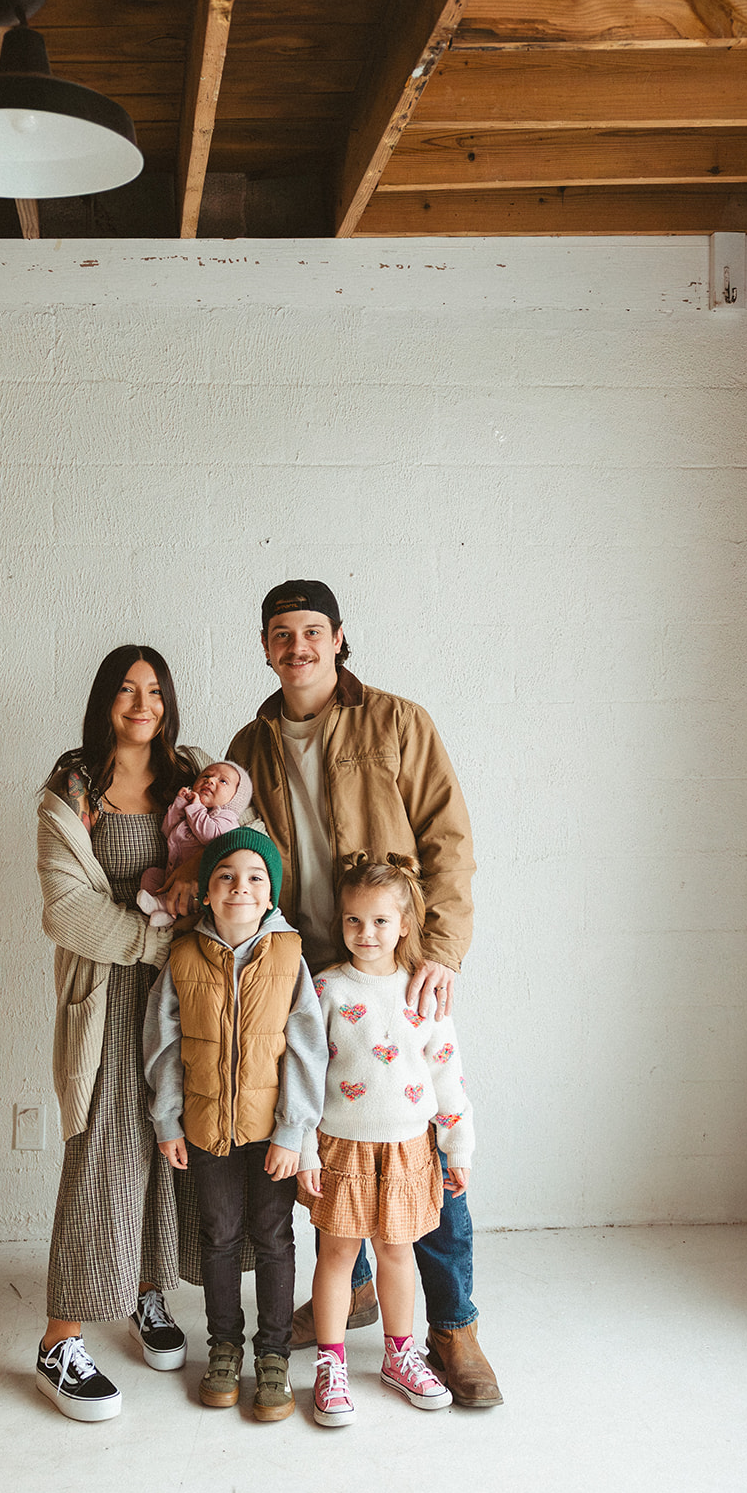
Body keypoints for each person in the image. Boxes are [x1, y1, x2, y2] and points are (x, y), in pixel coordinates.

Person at [224, 578, 502, 1408]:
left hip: (396, 960)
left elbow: (447, 840)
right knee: (314, 1132)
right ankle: (349, 1288)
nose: (297, 648)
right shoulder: (252, 740)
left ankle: (452, 1326)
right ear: (265, 646)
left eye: (312, 632)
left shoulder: (397, 722)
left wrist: (441, 947)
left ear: (339, 638)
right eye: (281, 634)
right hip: (305, 971)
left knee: (419, 1132)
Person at [34, 644, 217, 1422]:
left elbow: (243, 855)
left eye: (154, 690)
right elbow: (66, 910)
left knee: (172, 1145)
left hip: (185, 993)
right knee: (104, 1148)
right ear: (105, 700)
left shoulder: (197, 775)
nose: (141, 703)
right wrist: (155, 942)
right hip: (110, 995)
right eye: (126, 690)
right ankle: (58, 1341)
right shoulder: (69, 789)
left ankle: (149, 1293)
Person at [143, 827, 327, 1423]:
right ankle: (224, 1347)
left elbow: (306, 1050)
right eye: (225, 876)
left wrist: (294, 1133)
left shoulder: (290, 954)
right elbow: (163, 1047)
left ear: (270, 892)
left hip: (273, 1136)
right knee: (218, 1238)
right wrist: (167, 1120)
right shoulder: (183, 955)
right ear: (205, 891)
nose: (239, 888)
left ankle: (273, 1354)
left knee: (274, 1239)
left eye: (255, 877)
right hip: (204, 1130)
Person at [297, 855, 475, 1426]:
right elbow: (299, 1078)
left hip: (408, 1148)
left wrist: (458, 1148)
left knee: (397, 1253)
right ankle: (331, 1363)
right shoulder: (322, 988)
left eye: (378, 921)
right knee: (338, 1255)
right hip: (340, 1148)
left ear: (404, 924)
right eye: (352, 921)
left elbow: (446, 1072)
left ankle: (401, 1354)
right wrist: (303, 1151)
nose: (364, 933)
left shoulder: (422, 989)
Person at [137, 760, 252, 927]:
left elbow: (209, 836)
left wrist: (195, 806)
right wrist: (180, 804)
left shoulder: (227, 818)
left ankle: (158, 905)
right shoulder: (191, 810)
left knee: (191, 894)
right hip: (173, 872)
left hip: (200, 883)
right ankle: (166, 915)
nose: (210, 781)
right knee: (151, 875)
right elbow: (168, 828)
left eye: (223, 781)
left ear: (234, 798)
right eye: (206, 776)